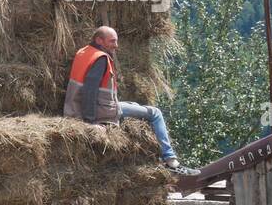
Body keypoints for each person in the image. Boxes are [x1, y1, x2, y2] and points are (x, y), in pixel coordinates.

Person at [63, 25, 197, 175]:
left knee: (133, 105)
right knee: (155, 113)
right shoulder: (100, 59)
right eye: (112, 41)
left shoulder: (84, 52)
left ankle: (169, 159)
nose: (116, 45)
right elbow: (89, 91)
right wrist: (90, 123)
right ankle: (171, 160)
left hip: (75, 108)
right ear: (99, 40)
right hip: (104, 112)